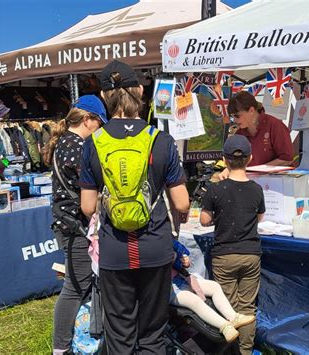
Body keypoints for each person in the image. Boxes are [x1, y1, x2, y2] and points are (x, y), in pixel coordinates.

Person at [79, 60, 190, 354]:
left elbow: (88, 206)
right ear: (140, 91)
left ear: (104, 97)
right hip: (155, 247)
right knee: (153, 334)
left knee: (119, 334)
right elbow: (181, 202)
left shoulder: (94, 143)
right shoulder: (160, 140)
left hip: (114, 250)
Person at [43, 95, 107, 355]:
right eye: (99, 122)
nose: (101, 128)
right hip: (76, 227)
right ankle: (62, 348)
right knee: (75, 287)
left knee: (79, 284)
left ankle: (80, 339)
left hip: (69, 224)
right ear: (87, 120)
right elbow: (91, 191)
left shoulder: (67, 143)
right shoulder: (77, 147)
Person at [200, 135, 265, 355]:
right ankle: (245, 352)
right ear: (251, 158)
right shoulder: (257, 189)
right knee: (247, 309)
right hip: (250, 254)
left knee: (227, 307)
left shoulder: (216, 189)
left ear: (224, 160)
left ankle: (229, 351)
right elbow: (259, 217)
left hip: (224, 255)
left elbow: (204, 220)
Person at [171, 239, 255, 343]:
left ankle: (233, 317)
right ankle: (224, 326)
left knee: (214, 286)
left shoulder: (166, 238)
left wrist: (184, 259)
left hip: (182, 278)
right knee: (193, 300)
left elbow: (182, 255)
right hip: (167, 288)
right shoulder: (148, 246)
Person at [218, 91, 294, 180]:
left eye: (237, 116)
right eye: (232, 116)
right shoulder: (240, 133)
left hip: (278, 185)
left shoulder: (274, 126)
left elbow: (287, 159)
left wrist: (260, 169)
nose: (234, 120)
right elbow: (237, 160)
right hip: (254, 182)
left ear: (251, 110)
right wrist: (228, 169)